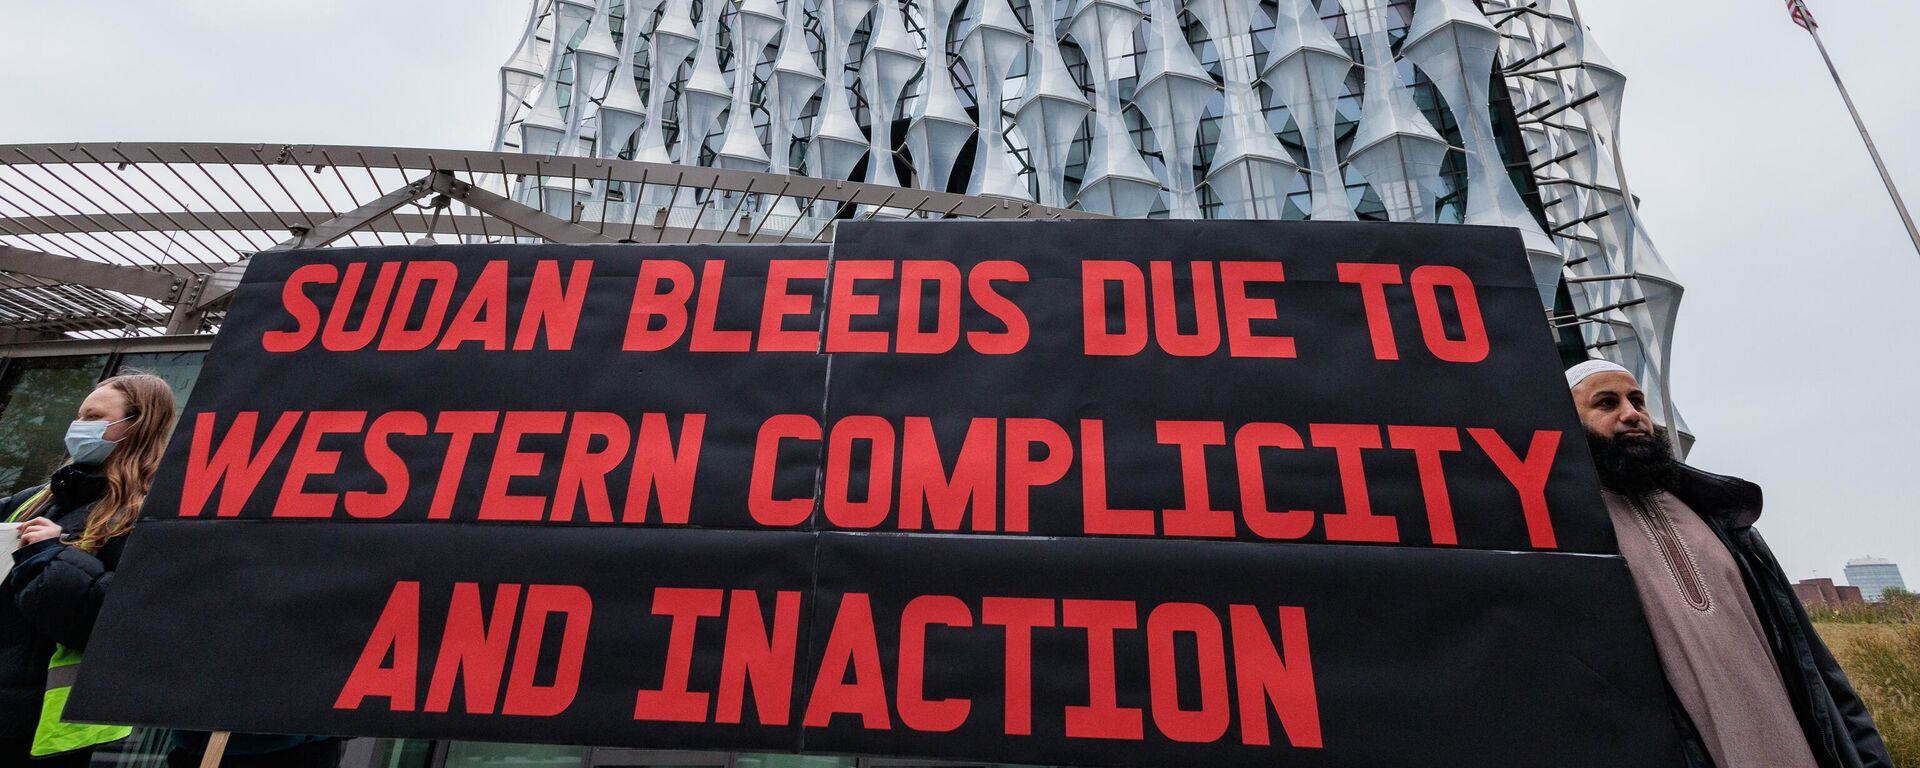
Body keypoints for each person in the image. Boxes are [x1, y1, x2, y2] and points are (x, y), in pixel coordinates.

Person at [1565, 359, 1890, 768]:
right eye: (1607, 403)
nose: (1632, 415)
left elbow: (1813, 664)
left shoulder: (1721, 519)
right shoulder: (1572, 531)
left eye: (1638, 401)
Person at [1, 372, 176, 766]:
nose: (78, 427)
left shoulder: (146, 516)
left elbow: (120, 617)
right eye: (79, 415)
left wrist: (52, 554)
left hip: (46, 726)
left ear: (135, 427)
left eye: (94, 417)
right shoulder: (34, 500)